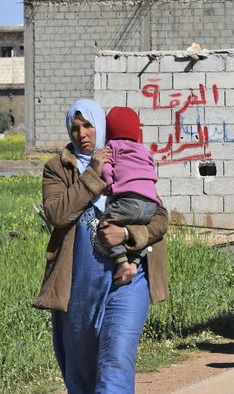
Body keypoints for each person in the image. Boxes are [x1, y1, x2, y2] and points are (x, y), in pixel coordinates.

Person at [34, 99, 169, 393]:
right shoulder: (57, 168)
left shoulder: (126, 157)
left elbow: (160, 219)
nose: (82, 133)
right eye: (75, 127)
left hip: (129, 280)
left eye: (88, 126)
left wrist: (129, 234)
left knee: (115, 363)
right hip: (79, 288)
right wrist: (93, 176)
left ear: (102, 127)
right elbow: (57, 213)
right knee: (81, 378)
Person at [98, 106, 161, 283]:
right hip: (150, 204)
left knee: (105, 223)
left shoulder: (113, 146)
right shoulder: (144, 150)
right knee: (141, 229)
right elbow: (151, 168)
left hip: (128, 200)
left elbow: (105, 166)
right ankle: (134, 263)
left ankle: (122, 263)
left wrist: (109, 186)